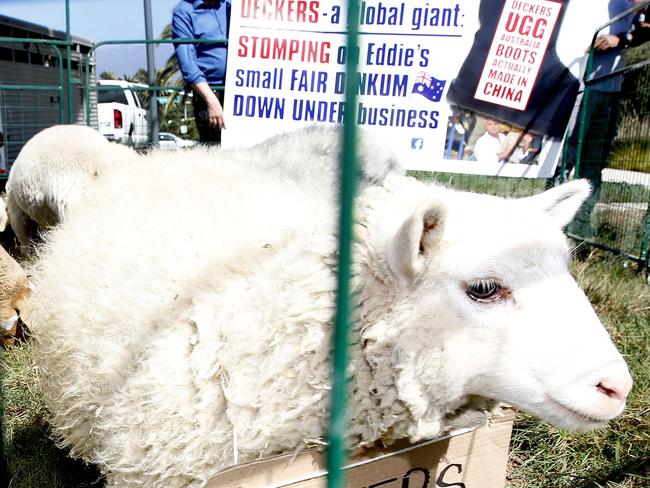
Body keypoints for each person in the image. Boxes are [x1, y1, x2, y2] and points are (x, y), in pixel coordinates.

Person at [172, 0, 231, 144]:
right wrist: (211, 100)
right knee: (214, 150)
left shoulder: (230, 7)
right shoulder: (184, 11)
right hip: (210, 92)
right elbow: (187, 62)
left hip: (241, 88)